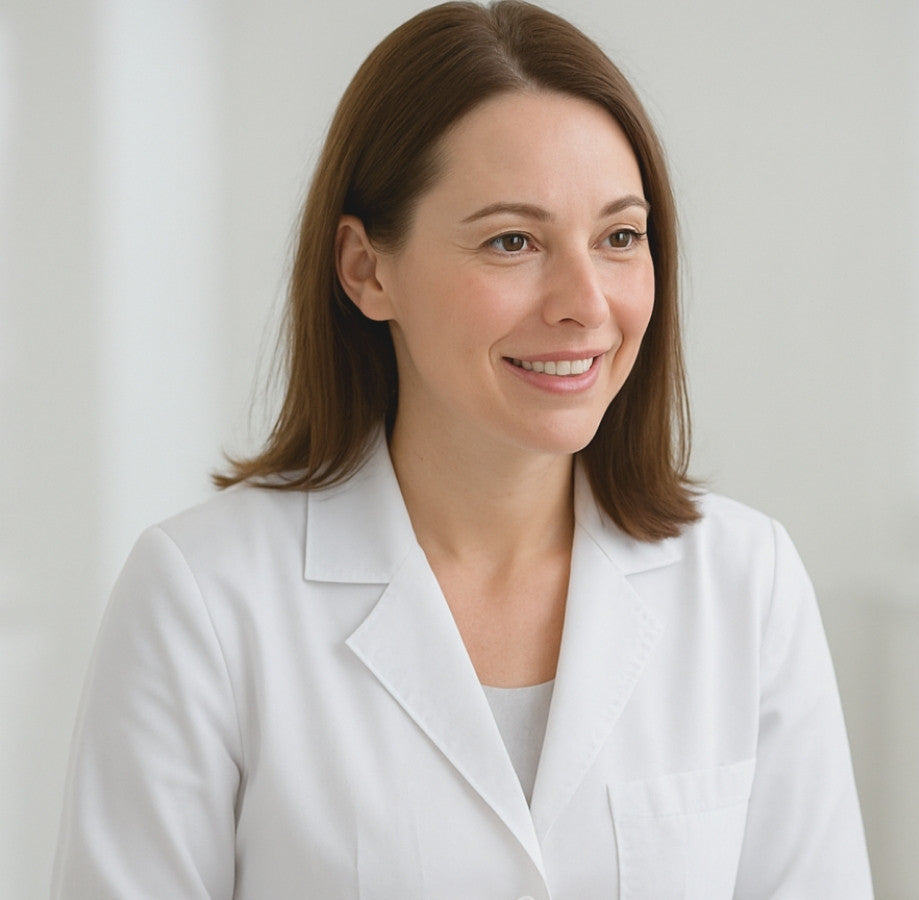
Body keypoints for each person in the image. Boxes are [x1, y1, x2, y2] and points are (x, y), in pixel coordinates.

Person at [52, 3, 872, 897]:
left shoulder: (746, 581)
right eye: (512, 241)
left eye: (619, 237)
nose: (585, 303)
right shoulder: (204, 598)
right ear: (367, 269)